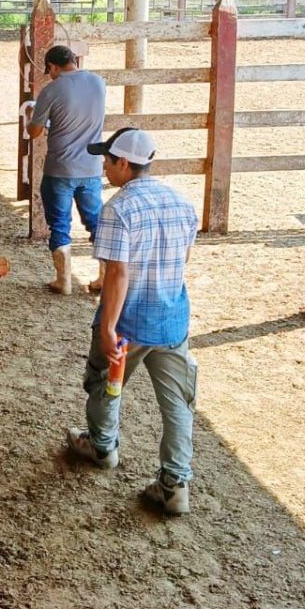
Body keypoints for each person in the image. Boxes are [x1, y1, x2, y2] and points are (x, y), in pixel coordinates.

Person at [65, 128, 199, 516]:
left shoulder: (118, 209)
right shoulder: (181, 202)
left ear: (124, 164)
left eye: (107, 160)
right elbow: (184, 258)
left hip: (128, 320)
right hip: (172, 318)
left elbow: (117, 273)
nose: (104, 167)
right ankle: (175, 484)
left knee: (107, 383)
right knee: (177, 403)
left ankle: (103, 447)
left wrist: (108, 327)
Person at [25, 45, 107, 295]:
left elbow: (35, 131)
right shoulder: (98, 83)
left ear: (52, 66)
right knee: (97, 223)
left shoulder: (51, 89)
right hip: (91, 166)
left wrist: (31, 115)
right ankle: (104, 277)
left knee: (60, 224)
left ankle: (64, 281)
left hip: (60, 167)